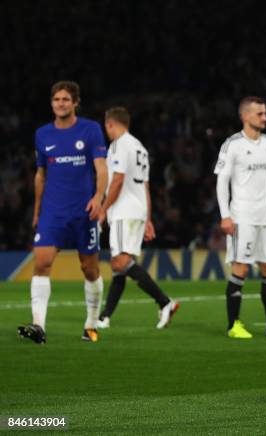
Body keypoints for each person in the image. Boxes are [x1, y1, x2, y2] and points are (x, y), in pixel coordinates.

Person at [18, 81, 108, 343]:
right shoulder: (42, 135)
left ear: (75, 102)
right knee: (42, 263)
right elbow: (40, 175)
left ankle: (91, 325)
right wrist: (37, 211)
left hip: (83, 212)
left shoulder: (90, 130)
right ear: (51, 103)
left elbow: (101, 169)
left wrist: (98, 197)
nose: (60, 103)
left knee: (89, 268)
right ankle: (38, 326)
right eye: (56, 99)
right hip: (53, 213)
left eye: (66, 99)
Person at [214, 96, 266, 339]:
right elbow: (222, 181)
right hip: (242, 217)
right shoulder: (232, 145)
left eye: (265, 113)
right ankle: (234, 325)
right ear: (246, 116)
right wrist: (225, 215)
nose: (265, 118)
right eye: (260, 114)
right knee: (241, 267)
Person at [97, 107, 179, 329]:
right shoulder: (139, 147)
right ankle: (105, 317)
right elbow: (145, 186)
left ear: (110, 124)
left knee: (121, 262)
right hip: (137, 209)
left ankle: (165, 302)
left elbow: (117, 181)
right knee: (119, 266)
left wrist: (103, 208)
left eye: (106, 126)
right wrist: (148, 218)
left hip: (124, 210)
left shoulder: (119, 145)